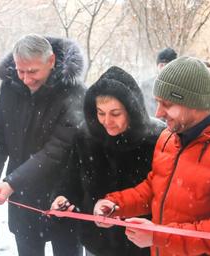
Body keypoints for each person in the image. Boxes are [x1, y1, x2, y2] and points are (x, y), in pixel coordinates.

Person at [93, 57, 210, 255]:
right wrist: (116, 204)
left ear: (193, 103)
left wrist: (159, 236)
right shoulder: (169, 137)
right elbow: (154, 188)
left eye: (167, 104)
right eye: (158, 103)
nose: (158, 113)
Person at [0, 34, 86, 256]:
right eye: (20, 70)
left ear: (51, 61)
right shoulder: (10, 89)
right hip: (23, 200)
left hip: (62, 196)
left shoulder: (73, 93)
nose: (26, 79)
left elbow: (57, 151)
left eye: (33, 71)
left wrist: (11, 183)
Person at [50, 66, 164, 256]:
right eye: (100, 112)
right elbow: (71, 178)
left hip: (139, 244)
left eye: (115, 113)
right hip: (97, 242)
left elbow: (160, 193)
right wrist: (61, 197)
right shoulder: (85, 137)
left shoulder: (155, 139)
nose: (106, 121)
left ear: (132, 110)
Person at [141, 47, 178, 115]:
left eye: (167, 66)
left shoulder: (180, 87)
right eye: (161, 65)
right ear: (157, 66)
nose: (163, 68)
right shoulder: (146, 86)